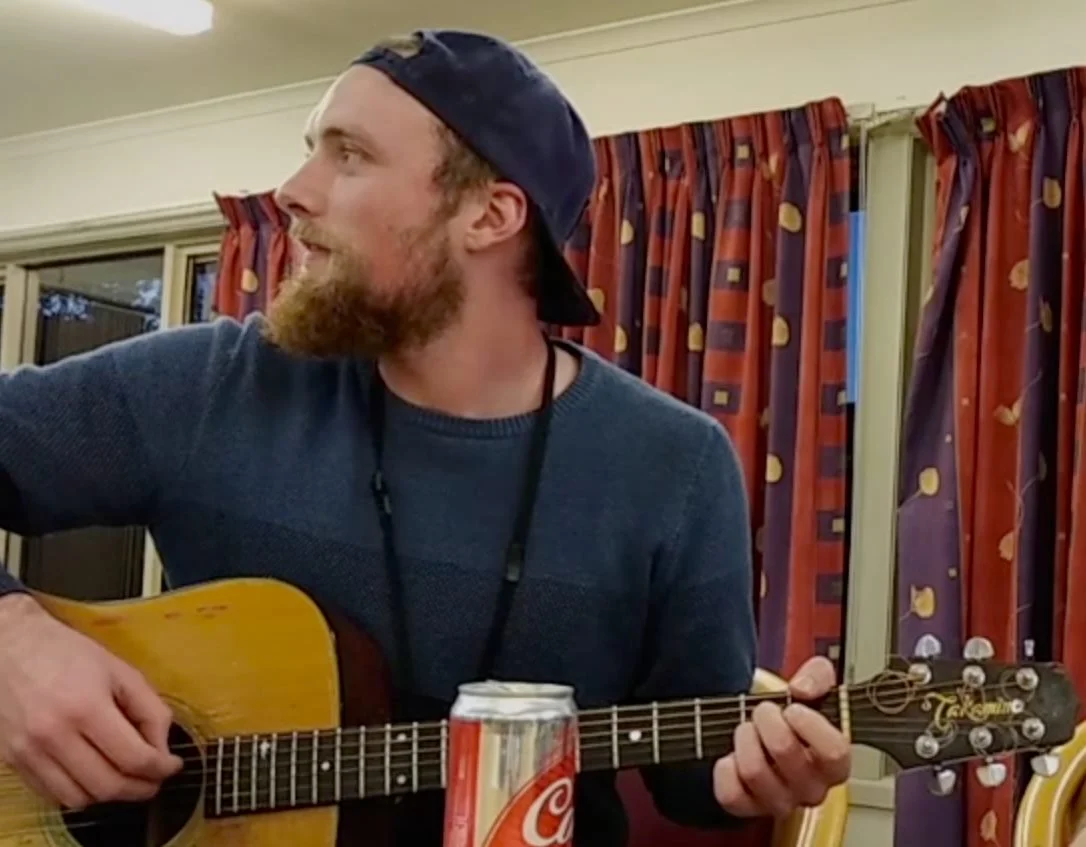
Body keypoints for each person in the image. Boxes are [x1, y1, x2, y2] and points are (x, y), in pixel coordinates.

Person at [0, 28, 851, 845]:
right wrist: (16, 642)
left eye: (350, 154)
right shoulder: (210, 385)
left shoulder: (676, 468)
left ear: (489, 215)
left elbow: (694, 772)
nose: (293, 190)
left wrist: (758, 775)